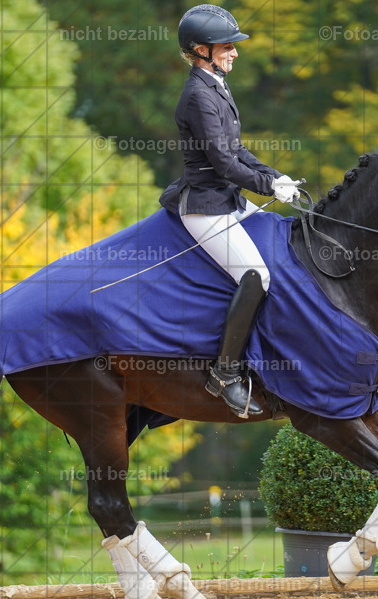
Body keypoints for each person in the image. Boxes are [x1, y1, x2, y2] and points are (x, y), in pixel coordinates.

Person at [159, 4, 300, 419]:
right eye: (227, 47)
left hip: (228, 202)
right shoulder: (197, 95)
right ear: (200, 50)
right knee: (256, 275)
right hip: (205, 209)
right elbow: (222, 163)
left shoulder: (215, 84)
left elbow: (237, 150)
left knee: (283, 254)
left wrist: (275, 175)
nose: (235, 52)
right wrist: (266, 186)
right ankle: (224, 375)